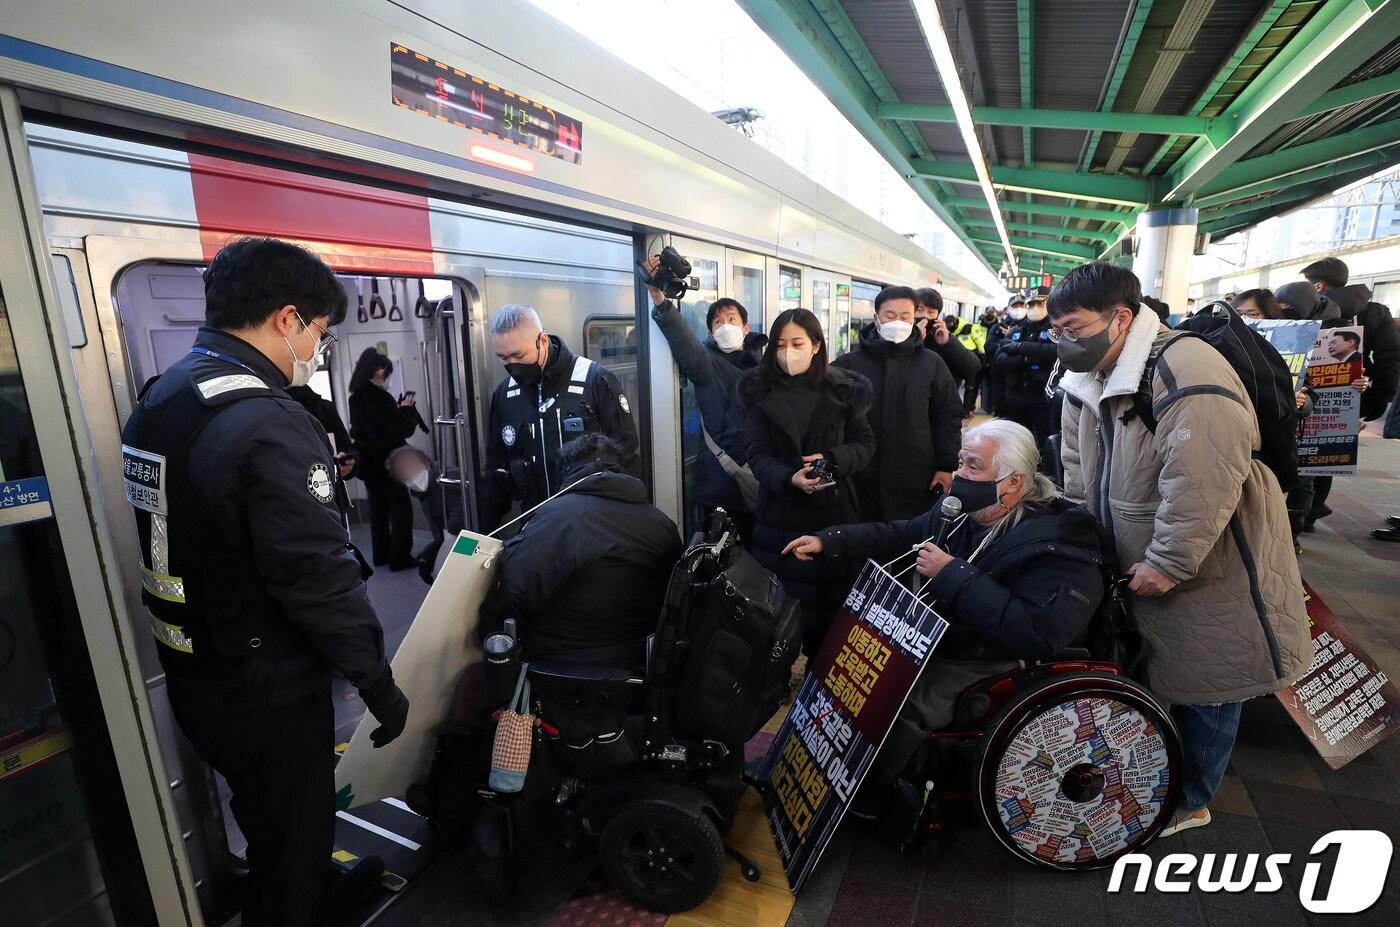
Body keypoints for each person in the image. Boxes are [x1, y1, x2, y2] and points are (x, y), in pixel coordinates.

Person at [118, 238, 407, 926]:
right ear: (287, 318)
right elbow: (317, 577)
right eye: (320, 331)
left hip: (196, 667)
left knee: (270, 813)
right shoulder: (268, 421)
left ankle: (316, 888)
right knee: (293, 828)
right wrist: (377, 681)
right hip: (266, 683)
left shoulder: (164, 398)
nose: (318, 347)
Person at [1053, 261, 1309, 838]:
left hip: (1211, 560)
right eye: (1057, 331)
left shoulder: (1186, 366)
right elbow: (1075, 462)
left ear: (1121, 319)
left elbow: (1203, 477)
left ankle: (1192, 799)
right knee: (1161, 671)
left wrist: (1168, 560)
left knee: (1211, 686)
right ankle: (1161, 775)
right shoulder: (1089, 371)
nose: (1064, 341)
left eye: (1074, 327)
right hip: (1135, 552)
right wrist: (1078, 532)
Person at [783, 420, 1106, 784]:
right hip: (948, 637)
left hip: (995, 657)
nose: (959, 475)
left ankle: (872, 792)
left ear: (1014, 481)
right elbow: (901, 533)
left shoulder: (1059, 542)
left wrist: (952, 573)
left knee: (900, 703)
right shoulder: (960, 512)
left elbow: (1037, 631)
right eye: (960, 462)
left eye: (973, 466)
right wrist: (830, 541)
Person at [738, 307, 875, 654]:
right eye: (780, 343)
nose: (787, 351)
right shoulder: (758, 389)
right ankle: (776, 675)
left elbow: (865, 445)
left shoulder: (846, 390)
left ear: (816, 345)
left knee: (829, 609)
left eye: (797, 342)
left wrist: (830, 462)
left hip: (834, 511)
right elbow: (756, 452)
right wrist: (788, 478)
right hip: (779, 514)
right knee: (778, 607)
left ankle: (819, 668)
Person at [480, 435, 681, 668]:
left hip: (566, 670)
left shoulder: (562, 518)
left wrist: (486, 634)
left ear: (567, 471)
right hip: (646, 664)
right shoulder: (662, 523)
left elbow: (511, 594)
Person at [479, 304, 639, 532]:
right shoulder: (505, 396)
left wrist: (630, 523)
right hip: (536, 525)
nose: (512, 365)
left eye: (518, 355)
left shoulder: (594, 380)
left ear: (542, 341)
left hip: (593, 522)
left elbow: (627, 456)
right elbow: (496, 468)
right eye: (503, 358)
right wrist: (481, 533)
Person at [643, 255, 760, 535]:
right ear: (710, 332)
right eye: (718, 322)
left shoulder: (762, 366)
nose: (725, 325)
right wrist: (658, 297)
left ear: (745, 327)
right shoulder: (707, 364)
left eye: (732, 319)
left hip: (759, 477)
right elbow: (684, 342)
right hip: (721, 486)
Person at [833, 286, 960, 522]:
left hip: (915, 475)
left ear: (915, 319)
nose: (897, 322)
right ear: (876, 319)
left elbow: (947, 416)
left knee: (907, 543)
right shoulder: (849, 364)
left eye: (905, 316)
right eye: (890, 316)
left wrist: (946, 465)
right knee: (860, 540)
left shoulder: (931, 364)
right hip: (860, 475)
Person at [348, 348, 419, 571]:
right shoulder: (382, 398)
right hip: (389, 462)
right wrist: (406, 412)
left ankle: (381, 554)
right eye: (386, 372)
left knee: (378, 509)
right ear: (379, 371)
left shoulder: (356, 398)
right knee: (401, 508)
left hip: (368, 464)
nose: (387, 377)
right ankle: (400, 557)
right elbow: (398, 431)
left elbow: (369, 430)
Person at [387, 445, 465, 585]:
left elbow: (460, 522)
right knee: (426, 565)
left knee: (436, 569)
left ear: (425, 463)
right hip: (450, 539)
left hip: (470, 541)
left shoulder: (448, 477)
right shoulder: (425, 491)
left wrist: (437, 551)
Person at [993, 294, 1057, 446]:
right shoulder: (1017, 330)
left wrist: (1021, 348)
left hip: (1041, 397)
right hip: (1015, 394)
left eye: (1039, 304)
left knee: (1044, 440)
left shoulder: (1054, 329)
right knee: (1015, 441)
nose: (1034, 308)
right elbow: (1000, 357)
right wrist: (1025, 360)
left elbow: (1056, 351)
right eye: (1031, 304)